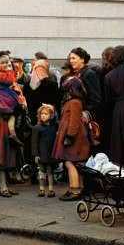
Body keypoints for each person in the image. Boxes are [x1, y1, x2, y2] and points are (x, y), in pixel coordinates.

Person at [0, 52, 27, 197]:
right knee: (2, 152)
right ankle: (2, 185)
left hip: (8, 115)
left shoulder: (4, 76)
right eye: (3, 62)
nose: (6, 65)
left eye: (7, 62)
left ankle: (5, 184)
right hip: (1, 117)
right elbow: (13, 78)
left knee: (8, 152)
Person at [52, 72, 90, 201]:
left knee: (70, 162)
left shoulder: (74, 102)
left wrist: (70, 136)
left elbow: (74, 122)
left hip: (74, 137)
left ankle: (74, 190)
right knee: (76, 163)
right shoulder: (75, 101)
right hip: (75, 136)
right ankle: (79, 188)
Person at [31, 103, 59, 197]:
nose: (43, 115)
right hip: (42, 154)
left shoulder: (54, 127)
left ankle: (51, 189)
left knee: (50, 172)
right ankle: (42, 189)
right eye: (42, 114)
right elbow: (34, 142)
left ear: (51, 115)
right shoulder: (37, 128)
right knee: (42, 172)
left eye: (46, 114)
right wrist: (36, 154)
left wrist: (51, 107)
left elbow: (56, 117)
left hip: (51, 153)